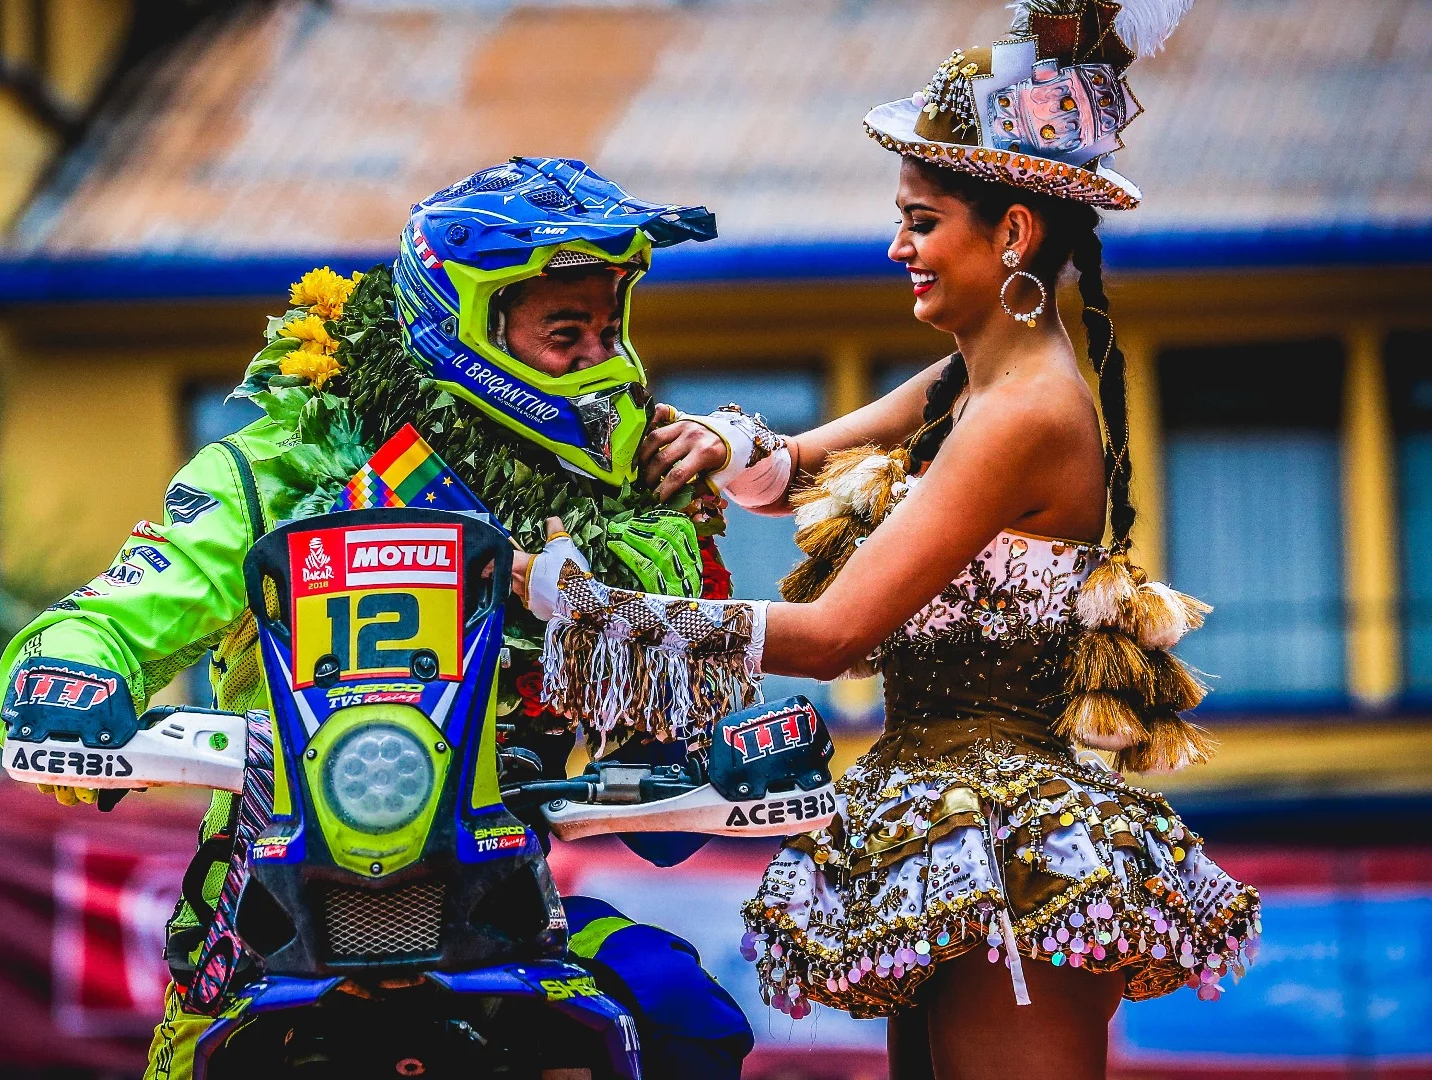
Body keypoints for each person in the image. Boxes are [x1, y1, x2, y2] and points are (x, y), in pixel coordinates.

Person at [514, 5, 1260, 1078]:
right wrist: (711, 443)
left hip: (1017, 849)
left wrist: (597, 612)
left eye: (920, 220)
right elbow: (793, 468)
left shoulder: (1025, 416)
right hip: (948, 824)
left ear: (1011, 234)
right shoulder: (969, 382)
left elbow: (830, 636)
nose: (896, 246)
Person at [0, 157, 751, 1080]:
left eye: (606, 328)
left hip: (502, 908)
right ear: (470, 325)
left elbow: (667, 828)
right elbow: (121, 607)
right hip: (272, 908)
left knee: (684, 1018)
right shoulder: (287, 465)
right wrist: (69, 673)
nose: (600, 361)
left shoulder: (630, 517)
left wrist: (697, 754)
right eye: (566, 332)